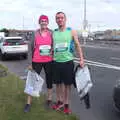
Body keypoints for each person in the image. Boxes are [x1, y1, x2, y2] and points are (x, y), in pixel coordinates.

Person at [51, 12, 84, 114]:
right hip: (56, 62)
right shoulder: (54, 32)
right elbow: (52, 47)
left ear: (65, 19)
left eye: (61, 18)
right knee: (58, 84)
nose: (60, 19)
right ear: (56, 20)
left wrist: (81, 59)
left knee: (67, 85)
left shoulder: (71, 31)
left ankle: (66, 105)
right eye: (57, 18)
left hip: (68, 62)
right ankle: (59, 101)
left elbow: (78, 45)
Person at [24, 15, 53, 112]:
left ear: (47, 22)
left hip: (49, 61)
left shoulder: (51, 33)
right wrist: (30, 63)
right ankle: (28, 103)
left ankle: (49, 100)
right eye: (42, 21)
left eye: (45, 21)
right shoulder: (35, 34)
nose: (43, 22)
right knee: (32, 81)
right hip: (36, 61)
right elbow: (30, 49)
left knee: (49, 81)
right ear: (39, 22)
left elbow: (53, 46)